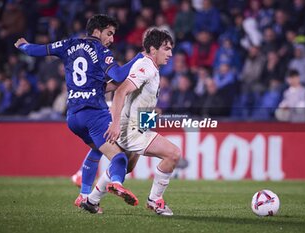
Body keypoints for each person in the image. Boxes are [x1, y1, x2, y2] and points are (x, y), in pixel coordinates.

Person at [14, 14, 144, 213]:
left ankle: (83, 196)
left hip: (73, 117)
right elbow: (117, 75)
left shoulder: (69, 44)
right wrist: (138, 58)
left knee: (98, 149)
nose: (111, 39)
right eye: (109, 34)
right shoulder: (101, 50)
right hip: (95, 114)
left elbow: (38, 50)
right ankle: (116, 183)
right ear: (97, 31)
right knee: (119, 159)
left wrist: (23, 46)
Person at [80, 28, 180, 216]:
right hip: (130, 129)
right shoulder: (146, 67)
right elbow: (120, 92)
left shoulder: (152, 68)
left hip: (138, 125)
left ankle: (91, 200)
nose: (170, 54)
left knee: (127, 167)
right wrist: (115, 124)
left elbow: (136, 100)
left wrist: (149, 120)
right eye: (166, 49)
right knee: (173, 154)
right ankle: (154, 200)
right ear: (152, 49)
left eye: (171, 49)